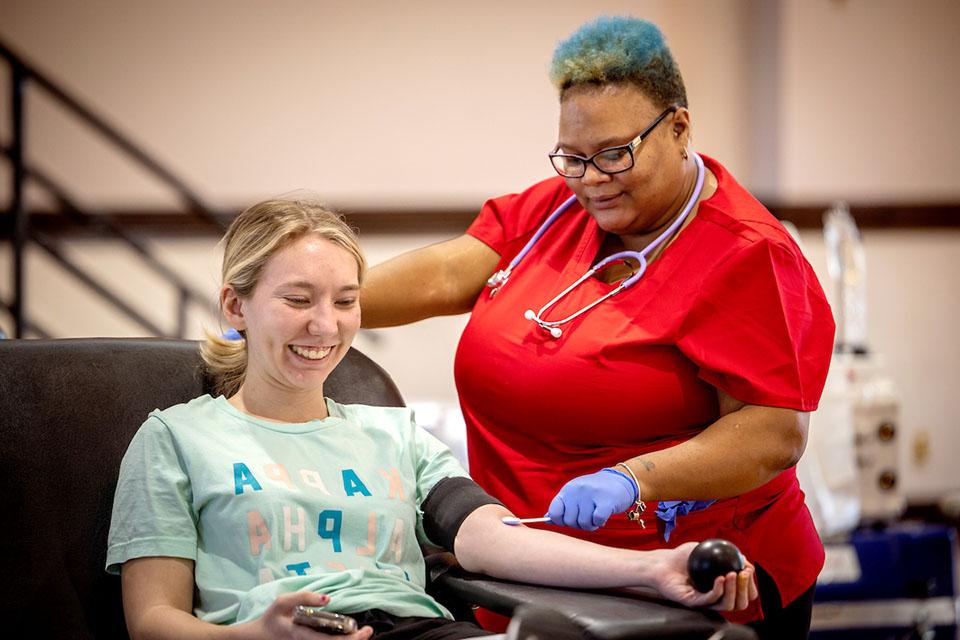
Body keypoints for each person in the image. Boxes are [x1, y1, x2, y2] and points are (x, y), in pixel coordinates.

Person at [359, 16, 834, 640]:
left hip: (689, 587)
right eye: (574, 158)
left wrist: (633, 479)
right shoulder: (561, 206)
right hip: (525, 572)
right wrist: (322, 309)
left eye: (615, 154)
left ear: (679, 128)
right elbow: (450, 272)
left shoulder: (748, 255)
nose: (591, 179)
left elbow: (773, 434)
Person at [106, 198, 756, 640]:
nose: (325, 326)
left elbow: (491, 537)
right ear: (236, 305)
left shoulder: (395, 434)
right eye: (297, 300)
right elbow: (152, 619)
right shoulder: (176, 439)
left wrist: (654, 569)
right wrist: (254, 635)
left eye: (346, 301)